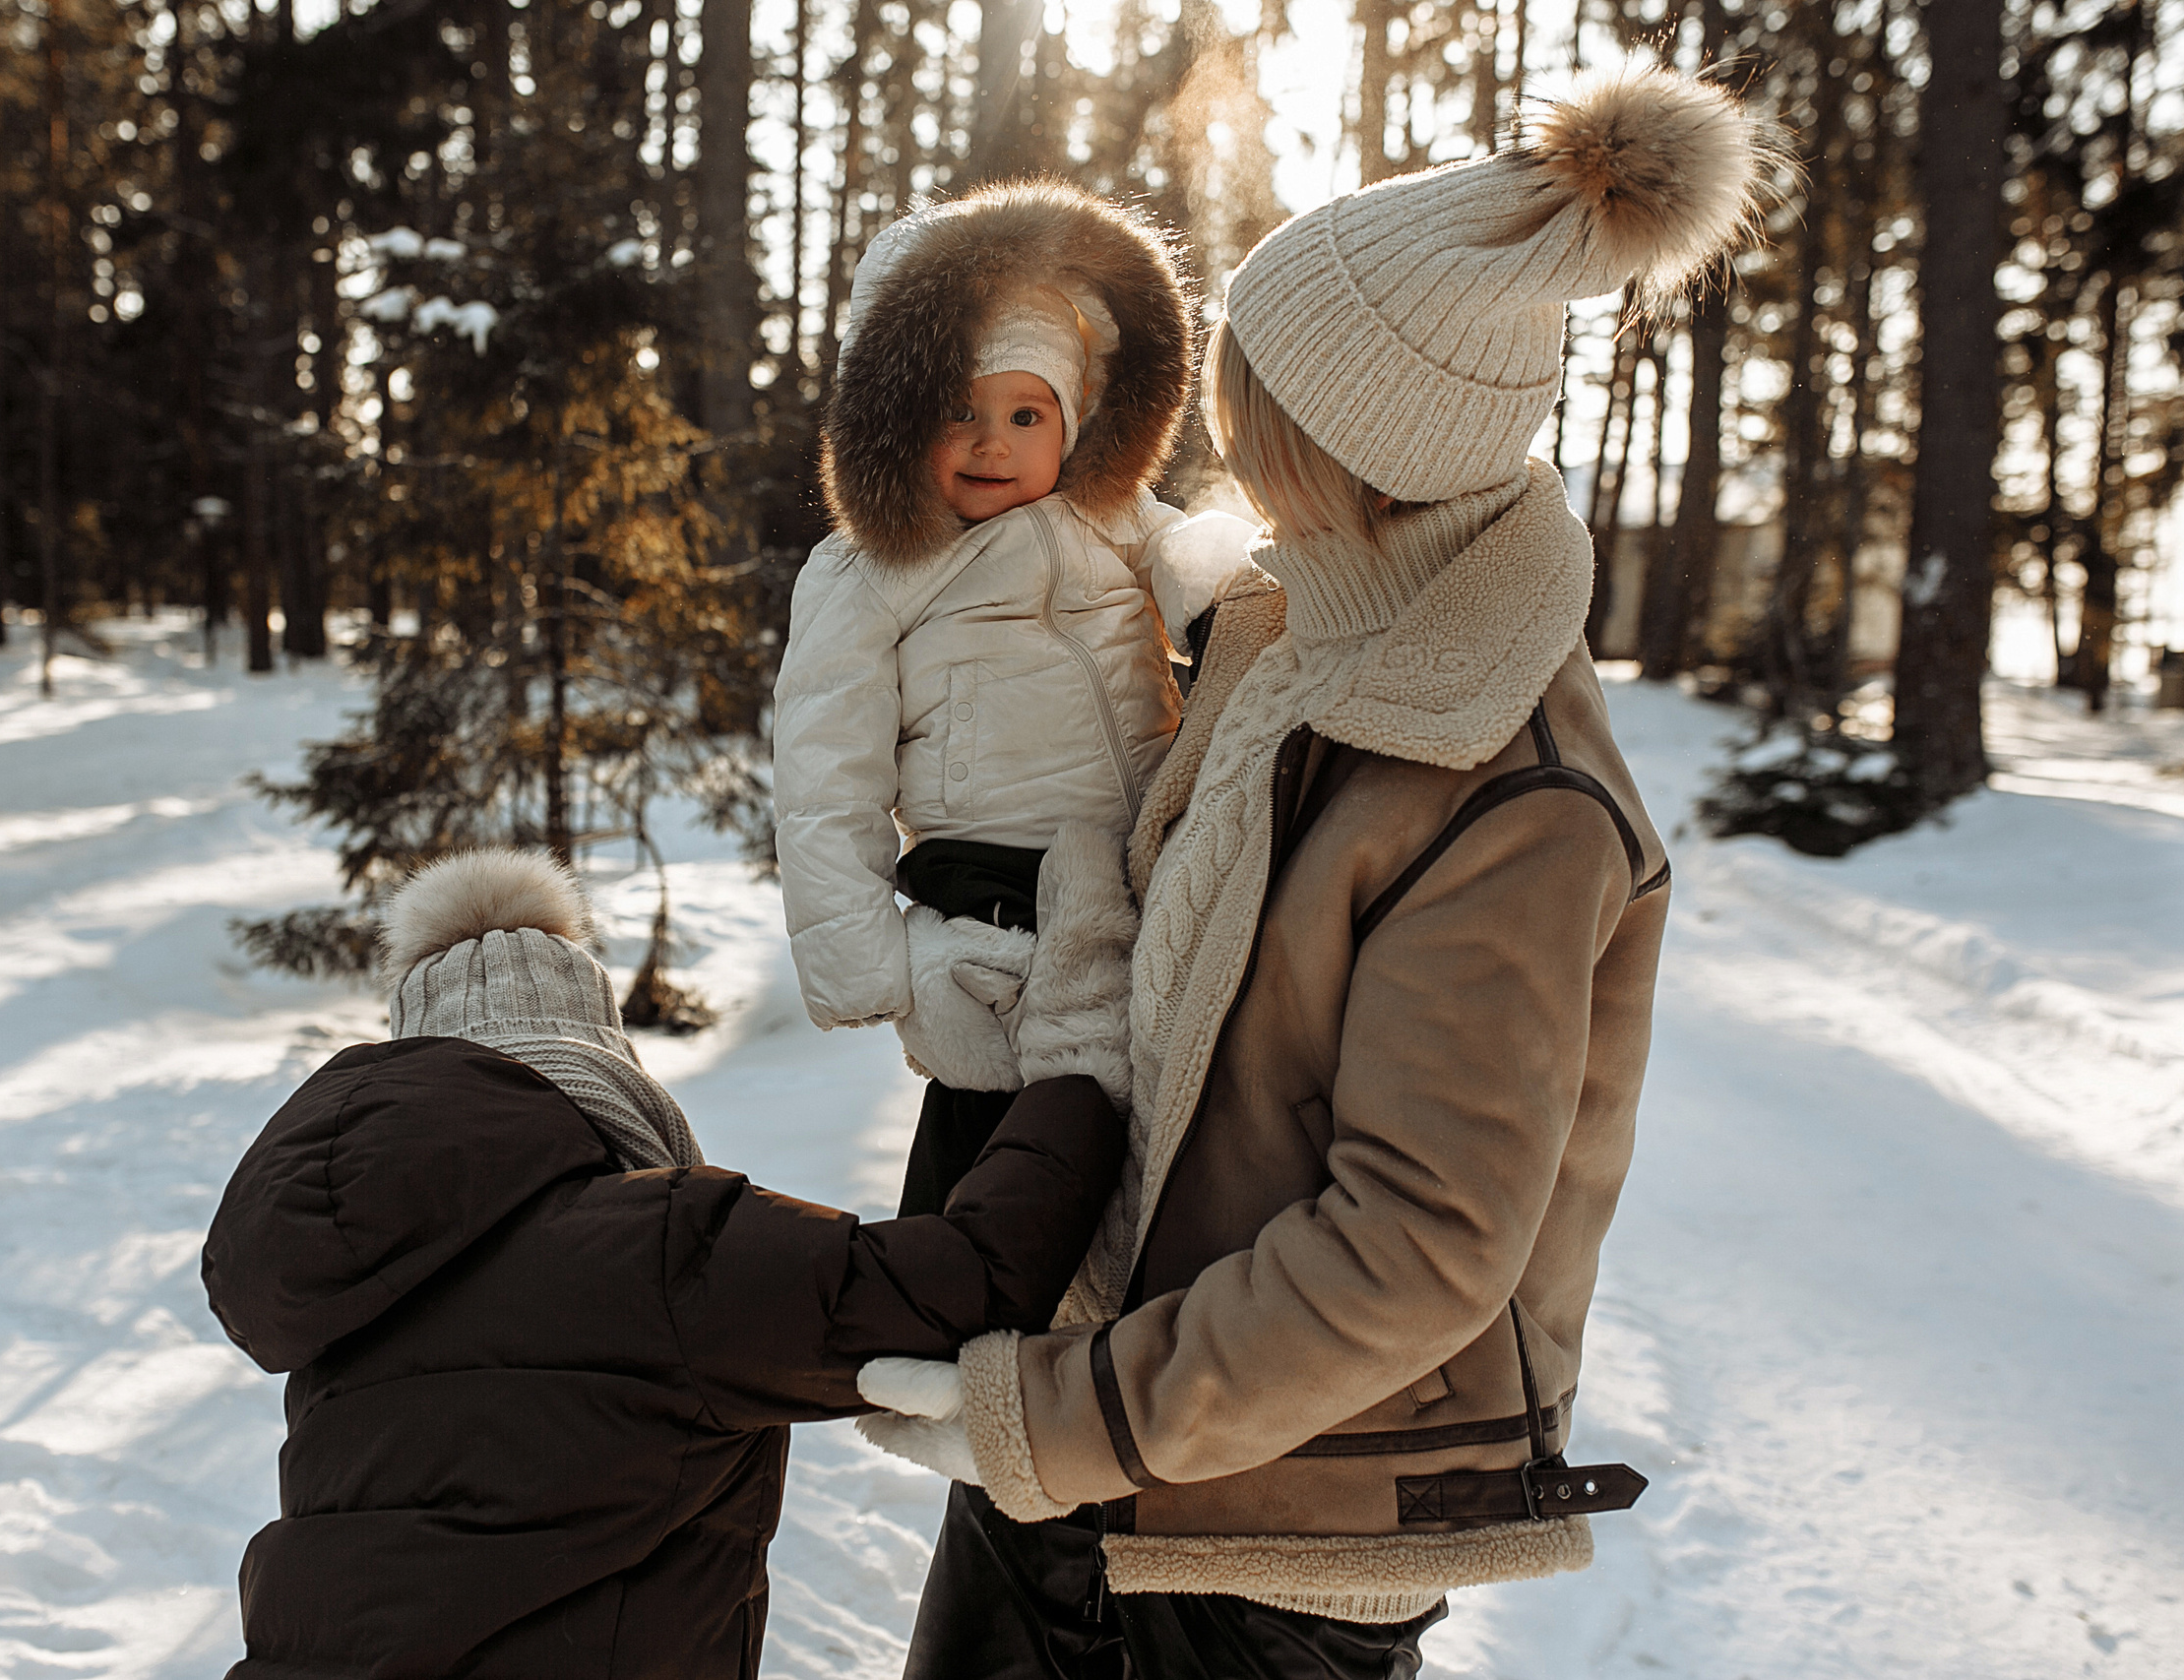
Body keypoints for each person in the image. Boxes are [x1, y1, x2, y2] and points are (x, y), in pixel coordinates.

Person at [854, 67, 1771, 1678]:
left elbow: (1416, 1244)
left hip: (1257, 1552)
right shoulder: (1298, 628)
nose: (1221, 401)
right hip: (1089, 1448)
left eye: (1254, 377)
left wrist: (1060, 1420)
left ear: (1345, 433)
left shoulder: (1509, 794)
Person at [199, 846, 1127, 1678]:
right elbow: (967, 1282)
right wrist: (1075, 1069)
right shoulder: (655, 1249)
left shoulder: (345, 1321)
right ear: (600, 1072)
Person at [774, 180, 1256, 1215]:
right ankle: (951, 1311)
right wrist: (883, 964)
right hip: (987, 887)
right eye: (958, 412)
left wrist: (1226, 607)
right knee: (999, 1128)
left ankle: (1139, 1311)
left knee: (1149, 1110)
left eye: (1024, 412)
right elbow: (824, 776)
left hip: (1142, 856)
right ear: (897, 423)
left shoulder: (1114, 515)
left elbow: (1191, 553)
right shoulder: (869, 571)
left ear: (1073, 423)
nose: (992, 441)